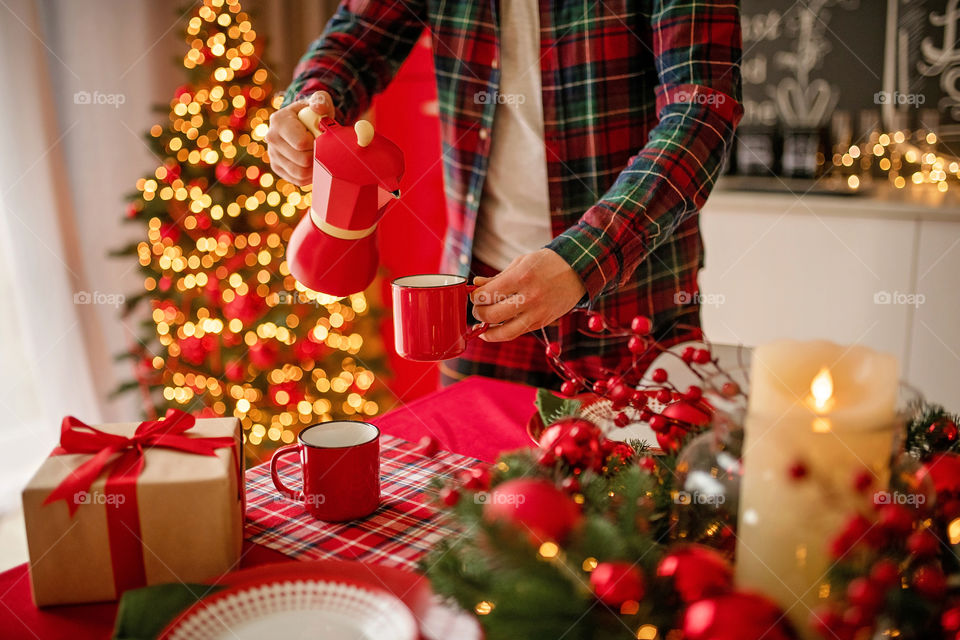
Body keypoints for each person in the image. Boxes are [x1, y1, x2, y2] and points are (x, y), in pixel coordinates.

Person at [266, 1, 742, 389]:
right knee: (473, 498)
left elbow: (701, 111)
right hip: (479, 298)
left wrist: (582, 258)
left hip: (637, 297)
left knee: (645, 498)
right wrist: (309, 103)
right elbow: (354, 41)